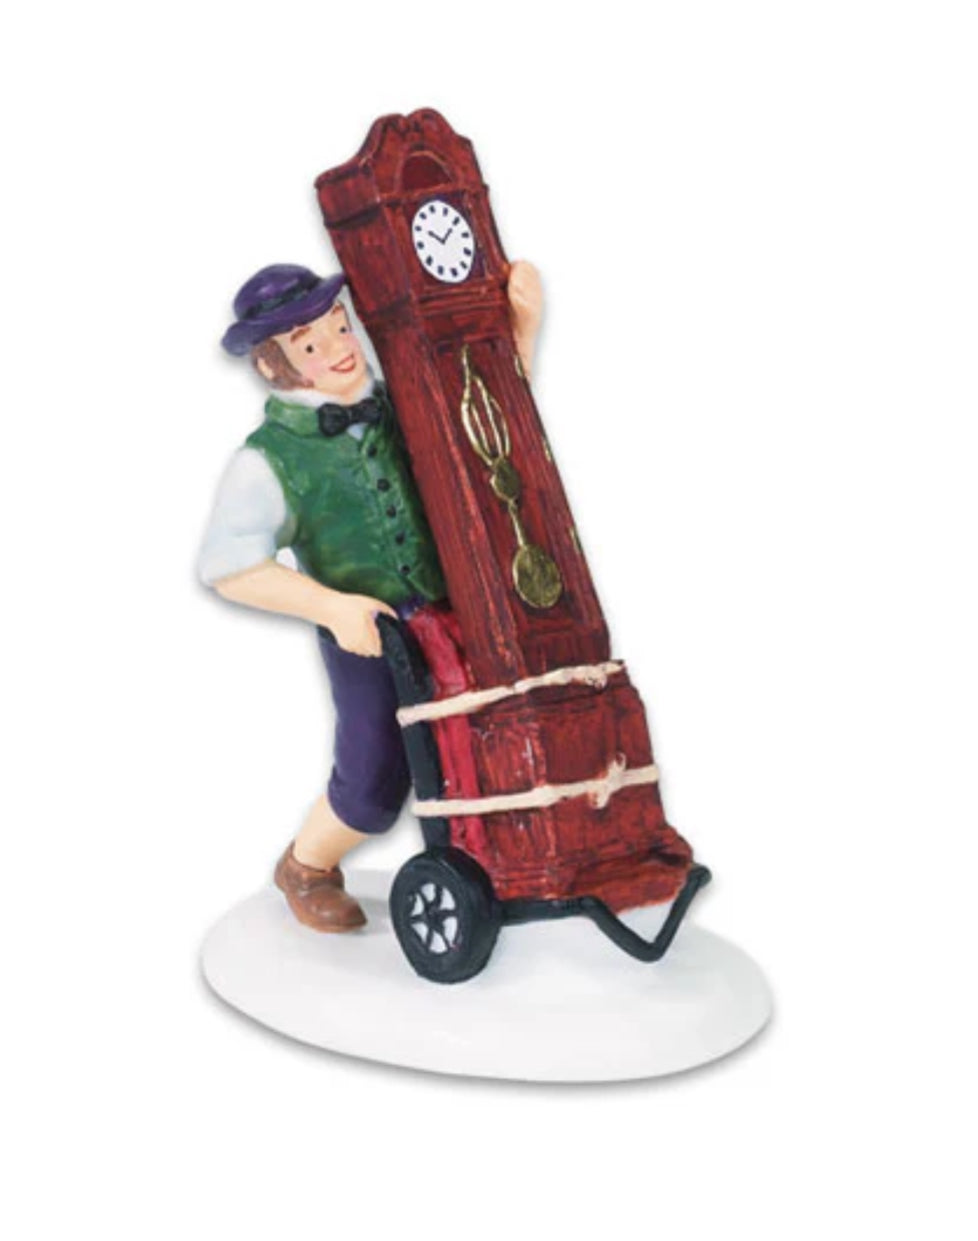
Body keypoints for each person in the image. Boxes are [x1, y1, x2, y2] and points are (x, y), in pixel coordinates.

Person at [199, 260, 543, 931]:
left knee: (489, 739)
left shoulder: (402, 400)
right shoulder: (268, 460)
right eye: (310, 344)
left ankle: (495, 862)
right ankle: (306, 865)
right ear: (272, 366)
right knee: (373, 779)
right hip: (368, 633)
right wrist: (333, 607)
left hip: (458, 614)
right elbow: (230, 567)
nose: (338, 347)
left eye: (339, 326)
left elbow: (489, 428)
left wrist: (521, 333)